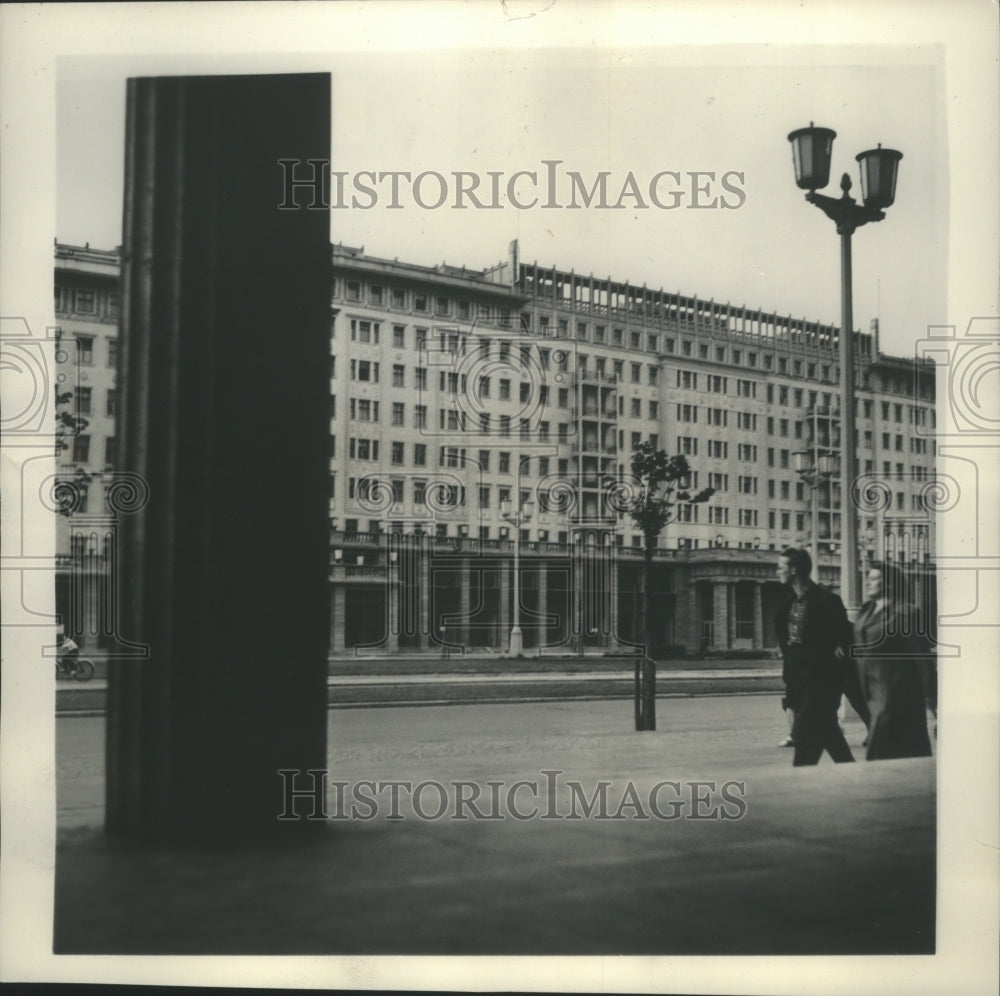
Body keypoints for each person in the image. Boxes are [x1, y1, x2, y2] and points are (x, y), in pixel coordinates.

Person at [774, 547, 857, 766]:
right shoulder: (787, 605)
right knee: (831, 736)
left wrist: (838, 675)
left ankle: (800, 780)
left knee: (805, 737)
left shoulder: (826, 601)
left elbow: (845, 641)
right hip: (798, 682)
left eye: (780, 567)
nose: (777, 572)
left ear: (793, 570)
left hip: (821, 683)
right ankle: (853, 775)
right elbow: (788, 648)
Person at [853, 563, 933, 761]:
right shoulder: (866, 611)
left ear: (888, 584)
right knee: (901, 754)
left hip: (897, 695)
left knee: (880, 752)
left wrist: (932, 698)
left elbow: (922, 659)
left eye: (873, 579)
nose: (867, 583)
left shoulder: (907, 613)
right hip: (872, 693)